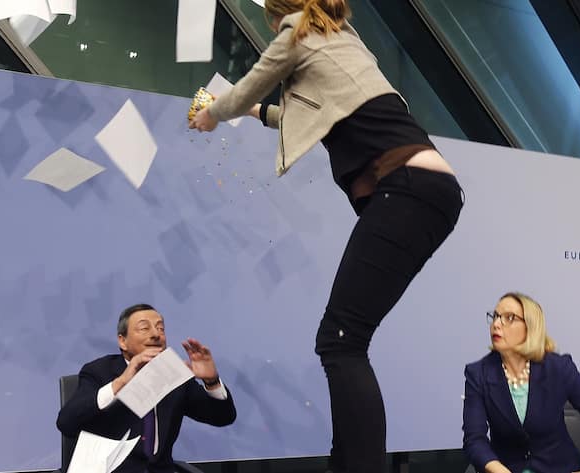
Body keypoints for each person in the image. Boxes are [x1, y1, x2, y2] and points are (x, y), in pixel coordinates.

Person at [189, 1, 463, 472]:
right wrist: (253, 113)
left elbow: (252, 81)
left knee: (341, 340)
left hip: (405, 187)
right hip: (431, 192)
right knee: (346, 339)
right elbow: (308, 117)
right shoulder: (339, 38)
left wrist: (214, 112)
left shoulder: (297, 31)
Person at [56, 304, 236, 473]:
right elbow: (67, 423)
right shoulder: (99, 371)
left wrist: (211, 381)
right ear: (123, 341)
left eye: (160, 329)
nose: (156, 334)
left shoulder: (173, 375)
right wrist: (121, 383)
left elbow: (222, 417)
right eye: (144, 328)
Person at [462, 292, 580, 473]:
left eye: (509, 318)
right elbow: (474, 440)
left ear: (530, 327)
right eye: (495, 316)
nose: (496, 324)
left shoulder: (558, 368)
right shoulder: (478, 374)